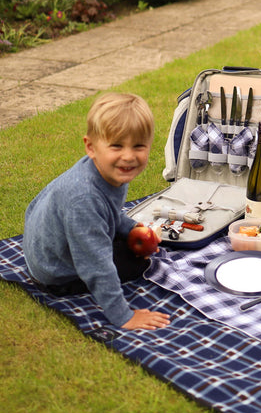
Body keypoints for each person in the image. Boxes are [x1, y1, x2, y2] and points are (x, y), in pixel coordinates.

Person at [23, 92, 170, 331]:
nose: (128, 156)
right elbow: (96, 266)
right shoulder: (84, 198)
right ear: (91, 147)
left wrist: (132, 227)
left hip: (52, 245)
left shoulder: (110, 170)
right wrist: (124, 316)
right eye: (116, 145)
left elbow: (109, 211)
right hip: (55, 272)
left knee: (130, 242)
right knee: (137, 263)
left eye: (139, 146)